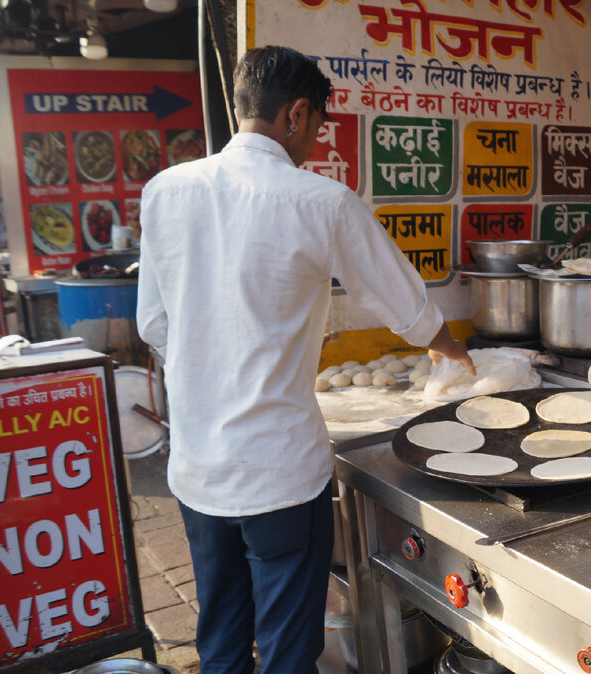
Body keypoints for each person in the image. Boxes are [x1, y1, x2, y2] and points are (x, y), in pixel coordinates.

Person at [136, 45, 475, 673]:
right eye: (317, 126)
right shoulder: (320, 201)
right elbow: (399, 298)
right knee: (289, 650)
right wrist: (449, 348)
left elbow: (153, 325)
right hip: (280, 476)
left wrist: (212, 359)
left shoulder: (164, 191)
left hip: (198, 471)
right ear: (296, 114)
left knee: (221, 641)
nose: (314, 142)